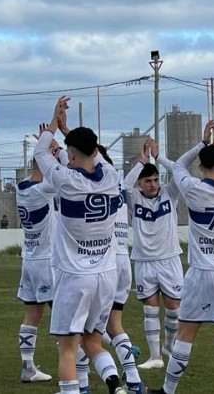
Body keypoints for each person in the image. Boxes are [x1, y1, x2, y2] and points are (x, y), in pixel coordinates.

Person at [35, 96, 131, 394]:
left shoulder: (66, 180)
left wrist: (55, 122)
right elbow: (94, 154)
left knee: (68, 348)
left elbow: (40, 150)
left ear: (71, 155)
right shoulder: (113, 177)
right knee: (92, 341)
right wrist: (68, 132)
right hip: (106, 275)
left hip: (75, 276)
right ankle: (116, 386)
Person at [147, 121, 214, 394]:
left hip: (203, 272)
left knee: (185, 334)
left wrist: (202, 144)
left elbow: (178, 166)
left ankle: (167, 391)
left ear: (201, 167)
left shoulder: (192, 188)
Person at [123, 138, 184, 370]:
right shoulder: (134, 197)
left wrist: (158, 158)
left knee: (173, 308)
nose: (153, 184)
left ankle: (169, 346)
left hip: (169, 259)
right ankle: (155, 355)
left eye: (156, 179)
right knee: (150, 308)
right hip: (144, 261)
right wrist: (140, 162)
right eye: (147, 181)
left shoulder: (170, 193)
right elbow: (123, 187)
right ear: (140, 183)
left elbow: (178, 172)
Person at [95, 145, 145, 390]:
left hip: (105, 263)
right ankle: (134, 378)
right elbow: (129, 179)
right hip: (124, 262)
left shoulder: (96, 187)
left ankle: (80, 384)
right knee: (115, 325)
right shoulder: (120, 188)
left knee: (87, 327)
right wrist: (141, 161)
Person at [14, 127, 58, 384]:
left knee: (32, 315)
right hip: (46, 261)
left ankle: (28, 367)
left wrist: (46, 144)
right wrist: (54, 149)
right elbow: (68, 174)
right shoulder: (43, 189)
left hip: (29, 259)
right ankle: (80, 361)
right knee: (63, 314)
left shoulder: (22, 187)